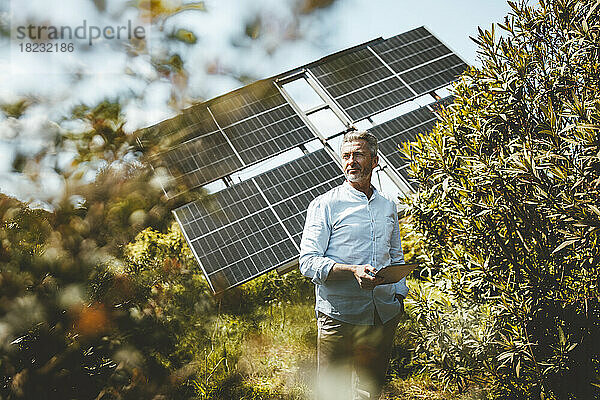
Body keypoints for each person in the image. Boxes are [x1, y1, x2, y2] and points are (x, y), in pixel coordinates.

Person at [299, 130, 407, 400]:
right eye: (346, 156)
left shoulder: (388, 206)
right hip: (338, 317)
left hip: (382, 315)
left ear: (375, 160)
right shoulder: (324, 205)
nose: (351, 161)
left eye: (358, 154)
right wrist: (351, 270)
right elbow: (308, 262)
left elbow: (395, 255)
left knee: (369, 391)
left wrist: (399, 297)